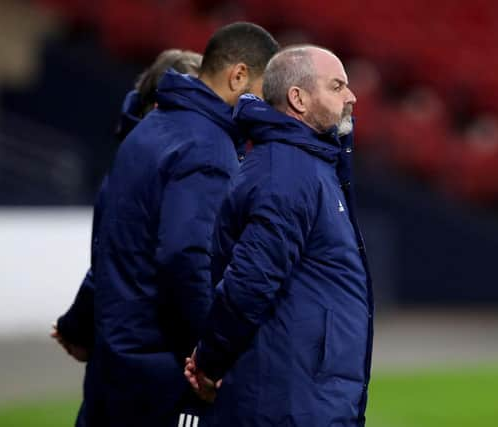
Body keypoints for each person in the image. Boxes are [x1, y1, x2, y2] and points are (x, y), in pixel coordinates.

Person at [78, 22, 278, 427]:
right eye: (261, 89)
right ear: (237, 75)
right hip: (163, 372)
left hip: (115, 361)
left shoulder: (149, 129)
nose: (265, 107)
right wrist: (208, 354)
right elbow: (185, 257)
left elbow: (109, 242)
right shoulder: (207, 146)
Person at [185, 46, 374, 427]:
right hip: (289, 400)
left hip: (306, 392)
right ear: (298, 98)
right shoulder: (289, 172)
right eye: (337, 86)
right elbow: (249, 283)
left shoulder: (308, 164)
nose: (351, 97)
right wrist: (209, 363)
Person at [52, 48, 202, 364]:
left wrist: (76, 326)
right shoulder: (187, 165)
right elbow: (183, 261)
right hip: (159, 354)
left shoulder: (126, 162)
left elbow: (108, 262)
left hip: (116, 350)